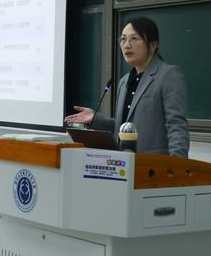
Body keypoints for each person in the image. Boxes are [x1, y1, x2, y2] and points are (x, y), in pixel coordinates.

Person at [65, 17, 189, 157]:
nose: (126, 45)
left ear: (153, 45)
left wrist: (178, 165)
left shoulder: (168, 75)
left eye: (134, 39)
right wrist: (96, 119)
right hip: (124, 163)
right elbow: (125, 127)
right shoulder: (124, 82)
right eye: (123, 39)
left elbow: (176, 126)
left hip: (153, 163)